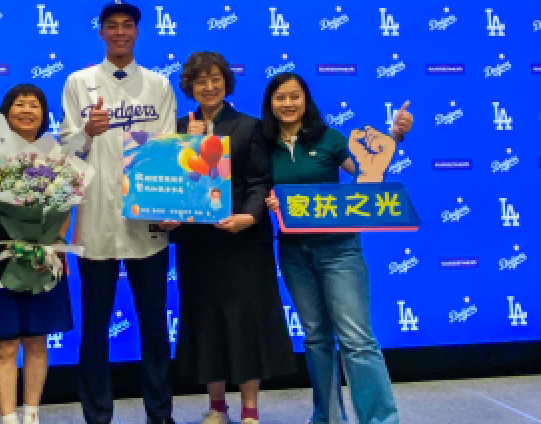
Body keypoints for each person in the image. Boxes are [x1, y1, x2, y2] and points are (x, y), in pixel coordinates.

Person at [262, 72, 412, 424]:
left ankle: (380, 420)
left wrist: (394, 136)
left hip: (339, 250)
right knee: (316, 339)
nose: (288, 103)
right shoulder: (263, 145)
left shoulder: (328, 138)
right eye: (280, 97)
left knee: (357, 339)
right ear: (270, 104)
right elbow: (254, 188)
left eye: (294, 96)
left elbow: (366, 171)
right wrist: (270, 201)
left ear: (306, 100)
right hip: (294, 253)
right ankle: (327, 418)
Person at [58, 0, 177, 424]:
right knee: (94, 326)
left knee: (154, 325)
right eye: (113, 26)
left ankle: (160, 414)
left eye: (128, 25)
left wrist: (171, 206)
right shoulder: (79, 82)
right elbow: (65, 150)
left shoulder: (159, 85)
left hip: (147, 221)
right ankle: (97, 416)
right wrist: (85, 133)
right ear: (101, 33)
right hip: (95, 221)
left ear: (137, 32)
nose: (121, 32)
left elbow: (168, 150)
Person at [165, 52, 296, 424]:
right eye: (201, 80)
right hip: (198, 244)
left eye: (216, 79)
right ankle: (217, 406)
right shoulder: (177, 128)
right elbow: (170, 184)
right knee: (206, 322)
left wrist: (249, 217)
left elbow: (259, 182)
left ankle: (250, 408)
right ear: (189, 86)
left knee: (246, 322)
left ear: (226, 83)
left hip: (242, 242)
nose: (209, 87)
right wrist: (167, 215)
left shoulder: (249, 126)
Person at [0, 84, 74, 424]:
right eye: (20, 104)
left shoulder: (56, 154)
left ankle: (32, 415)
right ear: (6, 112)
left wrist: (51, 244)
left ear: (44, 114)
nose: (27, 111)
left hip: (43, 258)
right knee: (5, 346)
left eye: (34, 105)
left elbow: (65, 208)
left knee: (37, 342)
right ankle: (9, 418)